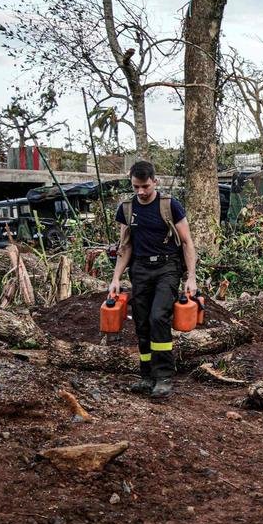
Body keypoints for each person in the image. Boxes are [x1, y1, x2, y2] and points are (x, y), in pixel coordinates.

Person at [108, 160, 198, 398]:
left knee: (159, 317)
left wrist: (191, 277)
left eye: (145, 186)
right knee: (142, 322)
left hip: (167, 268)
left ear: (155, 182)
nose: (141, 192)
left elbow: (187, 242)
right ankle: (146, 376)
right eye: (136, 186)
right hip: (139, 269)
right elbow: (125, 247)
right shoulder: (127, 209)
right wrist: (115, 278)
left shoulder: (170, 205)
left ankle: (164, 377)